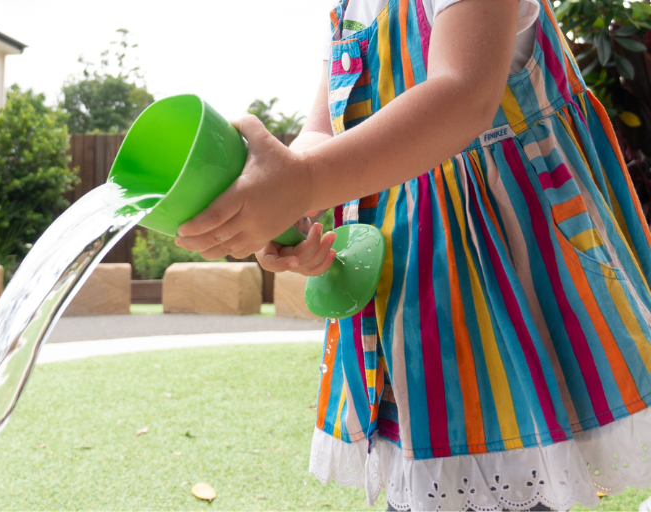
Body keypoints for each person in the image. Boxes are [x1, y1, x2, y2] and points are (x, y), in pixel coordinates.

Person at [176, 0, 651, 509]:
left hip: (512, 271)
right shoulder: (348, 8)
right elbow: (323, 131)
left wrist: (303, 183)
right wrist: (290, 206)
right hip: (414, 283)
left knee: (512, 448)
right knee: (432, 459)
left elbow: (464, 93)